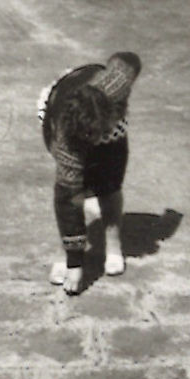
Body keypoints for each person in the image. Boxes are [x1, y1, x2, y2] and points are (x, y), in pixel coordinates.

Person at [38, 52, 142, 294]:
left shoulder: (114, 83)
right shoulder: (67, 141)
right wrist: (75, 263)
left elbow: (128, 60)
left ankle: (113, 243)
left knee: (110, 186)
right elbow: (67, 199)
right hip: (62, 112)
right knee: (75, 194)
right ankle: (65, 250)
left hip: (107, 120)